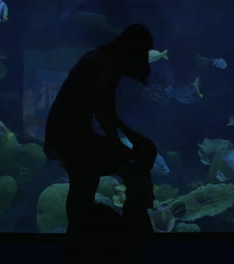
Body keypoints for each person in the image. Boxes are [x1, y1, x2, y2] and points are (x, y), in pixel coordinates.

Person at [43, 24, 156, 262]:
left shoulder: (101, 58)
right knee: (103, 172)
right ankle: (133, 225)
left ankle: (77, 241)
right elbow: (104, 112)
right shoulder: (105, 64)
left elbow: (105, 110)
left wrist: (130, 135)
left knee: (83, 182)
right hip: (72, 136)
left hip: (67, 133)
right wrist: (120, 145)